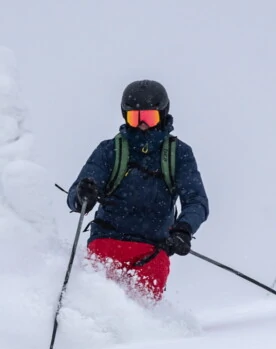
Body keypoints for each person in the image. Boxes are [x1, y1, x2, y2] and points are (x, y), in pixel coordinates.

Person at [67, 80, 209, 301]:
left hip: (152, 250)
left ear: (162, 115)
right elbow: (77, 193)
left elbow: (196, 201)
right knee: (95, 303)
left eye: (149, 117)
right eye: (136, 118)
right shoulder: (110, 150)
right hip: (106, 244)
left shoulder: (178, 153)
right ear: (125, 116)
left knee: (141, 307)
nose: (142, 125)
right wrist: (82, 195)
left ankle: (144, 333)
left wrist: (183, 230)